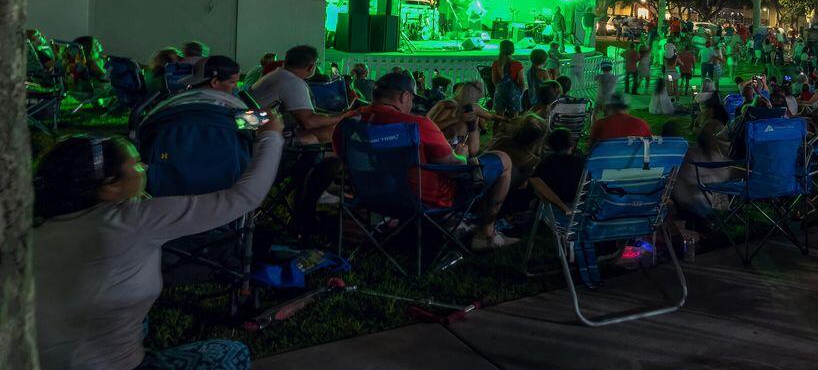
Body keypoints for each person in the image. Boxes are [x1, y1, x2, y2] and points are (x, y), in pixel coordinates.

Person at [33, 118, 283, 370]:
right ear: (110, 185)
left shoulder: (35, 233)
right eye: (136, 164)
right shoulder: (133, 220)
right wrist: (271, 135)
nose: (145, 167)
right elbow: (243, 197)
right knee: (230, 353)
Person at [337, 71, 515, 250]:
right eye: (412, 99)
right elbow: (455, 168)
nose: (412, 104)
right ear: (404, 96)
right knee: (503, 159)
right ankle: (486, 235)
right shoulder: (416, 125)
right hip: (425, 201)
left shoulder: (348, 123)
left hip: (370, 197)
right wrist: (462, 155)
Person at [250, 45, 345, 144]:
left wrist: (335, 115)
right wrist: (342, 117)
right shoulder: (293, 82)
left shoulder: (277, 75)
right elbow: (309, 122)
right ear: (311, 66)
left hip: (254, 129)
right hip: (263, 136)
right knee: (335, 130)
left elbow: (304, 111)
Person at [526, 128, 588, 213]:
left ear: (550, 146)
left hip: (548, 207)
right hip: (576, 207)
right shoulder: (581, 163)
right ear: (571, 144)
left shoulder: (547, 162)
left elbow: (535, 183)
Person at [490, 40, 525, 115]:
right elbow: (521, 82)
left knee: (498, 117)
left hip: (499, 92)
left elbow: (494, 80)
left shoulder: (496, 63)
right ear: (512, 50)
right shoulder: (517, 64)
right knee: (514, 118)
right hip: (513, 94)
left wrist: (499, 89)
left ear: (500, 49)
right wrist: (520, 93)